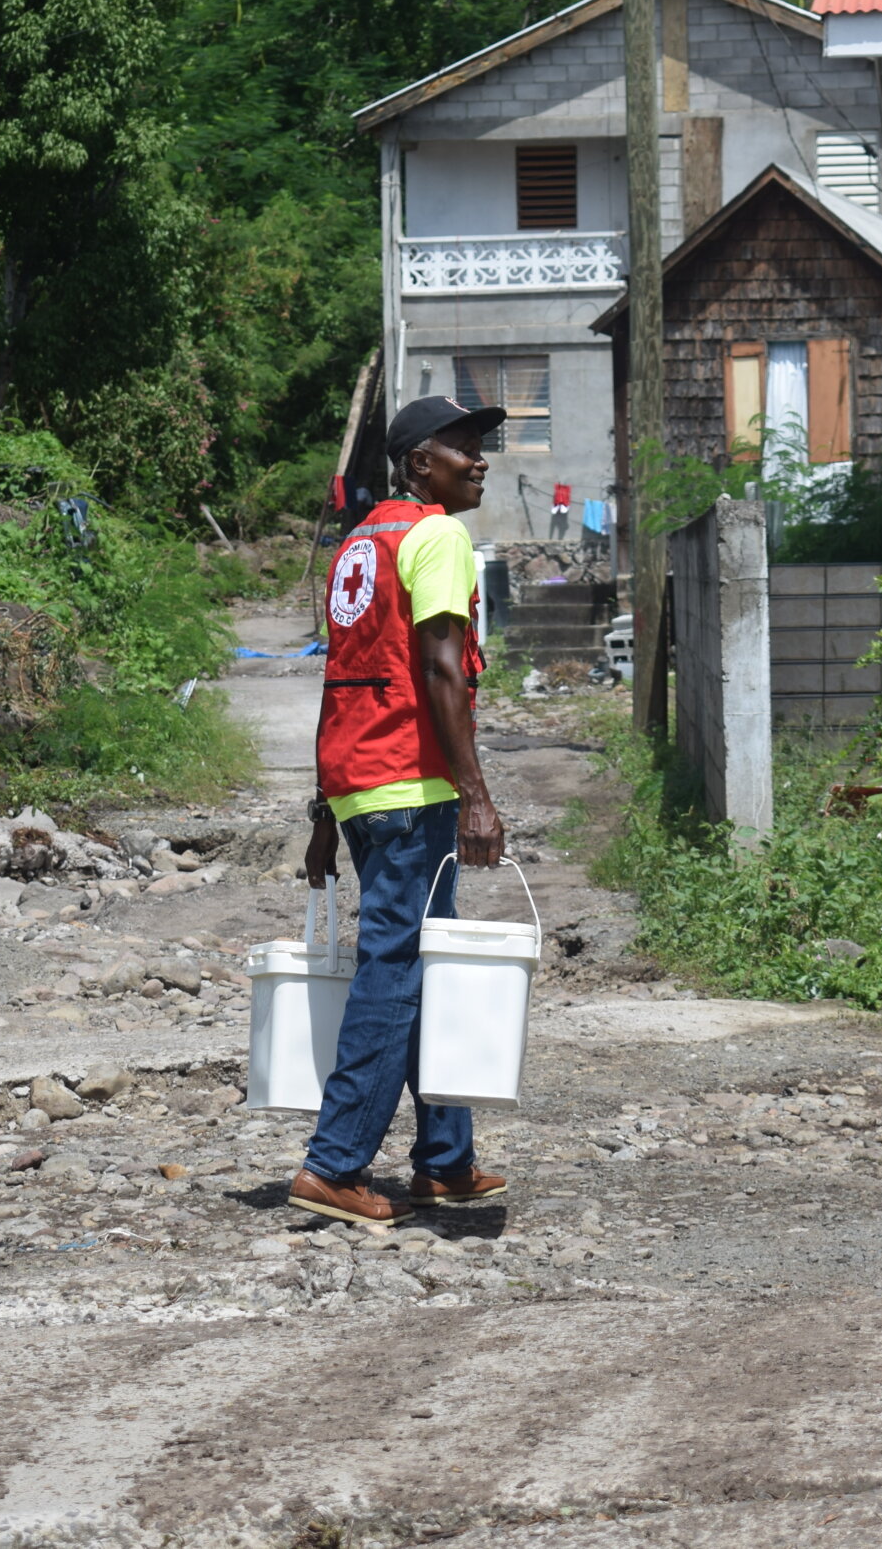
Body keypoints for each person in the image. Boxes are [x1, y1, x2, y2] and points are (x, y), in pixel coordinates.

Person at [290, 395, 514, 1226]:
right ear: (421, 462)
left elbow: (341, 677)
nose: (480, 459)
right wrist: (477, 797)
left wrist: (324, 810)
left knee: (428, 964)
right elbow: (442, 670)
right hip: (411, 789)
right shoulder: (437, 536)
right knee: (397, 969)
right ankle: (336, 1162)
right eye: (464, 446)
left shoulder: (359, 544)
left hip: (360, 781)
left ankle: (446, 1162)